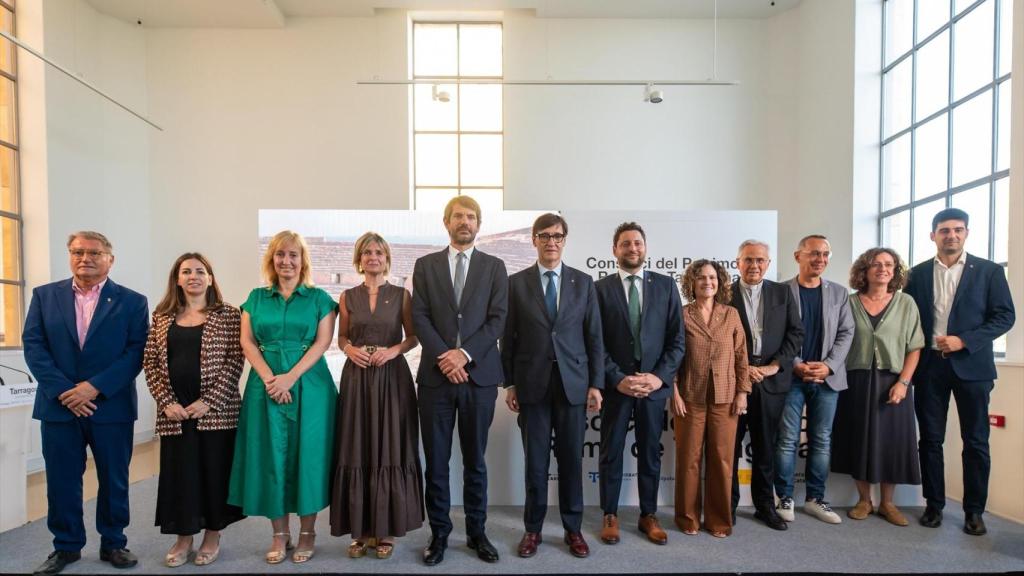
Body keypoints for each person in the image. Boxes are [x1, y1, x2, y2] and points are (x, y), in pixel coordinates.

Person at [23, 231, 149, 575]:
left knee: (114, 479)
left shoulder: (132, 301)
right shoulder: (45, 296)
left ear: (110, 259)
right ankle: (65, 547)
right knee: (61, 480)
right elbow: (34, 345)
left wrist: (94, 388)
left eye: (94, 252)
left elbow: (136, 352)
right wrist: (66, 391)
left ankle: (114, 543)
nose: (85, 258)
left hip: (110, 406)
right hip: (59, 406)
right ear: (69, 255)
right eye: (77, 252)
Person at [227, 230, 338, 564]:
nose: (286, 261)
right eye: (280, 254)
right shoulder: (256, 298)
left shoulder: (319, 299)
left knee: (309, 458)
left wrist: (290, 377)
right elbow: (247, 342)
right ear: (271, 259)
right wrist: (270, 379)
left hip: (310, 386)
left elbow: (322, 343)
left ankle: (307, 533)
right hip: (266, 386)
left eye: (293, 255)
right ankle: (279, 534)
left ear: (303, 261)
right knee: (271, 457)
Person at [904, 208, 1015, 535]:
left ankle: (974, 512)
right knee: (930, 440)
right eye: (944, 230)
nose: (951, 235)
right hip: (930, 367)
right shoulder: (916, 275)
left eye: (957, 229)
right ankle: (934, 505)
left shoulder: (989, 271)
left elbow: (1004, 317)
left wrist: (964, 340)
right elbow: (909, 321)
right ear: (933, 235)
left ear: (966, 233)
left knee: (976, 441)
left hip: (973, 367)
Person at [411, 195, 508, 566]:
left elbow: (497, 319)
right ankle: (439, 534)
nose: (464, 222)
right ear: (446, 222)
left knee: (475, 462)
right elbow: (419, 316)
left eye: (470, 216)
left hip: (478, 379)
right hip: (435, 379)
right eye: (458, 216)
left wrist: (463, 354)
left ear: (478, 224)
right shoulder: (425, 266)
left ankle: (476, 533)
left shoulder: (495, 267)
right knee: (436, 463)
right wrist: (445, 357)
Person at [503, 213, 604, 559]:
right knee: (535, 464)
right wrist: (510, 383)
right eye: (544, 236)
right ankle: (532, 530)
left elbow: (594, 337)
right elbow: (508, 338)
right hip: (531, 386)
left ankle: (573, 529)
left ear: (564, 240)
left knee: (571, 462)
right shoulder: (516, 283)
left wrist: (596, 384)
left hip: (573, 386)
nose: (551, 242)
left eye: (557, 236)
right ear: (534, 240)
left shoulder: (583, 282)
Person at [143, 253, 245, 567]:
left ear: (210, 279)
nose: (193, 276)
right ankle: (183, 537)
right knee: (180, 476)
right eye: (186, 271)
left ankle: (212, 535)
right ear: (177, 279)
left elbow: (235, 361)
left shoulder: (229, 315)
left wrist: (209, 401)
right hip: (175, 413)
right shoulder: (162, 316)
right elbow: (151, 363)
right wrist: (166, 402)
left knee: (214, 474)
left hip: (215, 412)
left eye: (200, 271)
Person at [330, 232, 423, 559]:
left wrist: (393, 351)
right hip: (357, 378)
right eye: (367, 252)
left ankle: (385, 530)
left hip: (391, 378)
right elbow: (342, 337)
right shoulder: (347, 296)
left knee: (389, 446)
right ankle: (360, 531)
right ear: (359, 258)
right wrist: (349, 350)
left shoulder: (402, 295)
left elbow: (413, 337)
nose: (373, 257)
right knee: (357, 445)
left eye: (379, 252)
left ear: (386, 259)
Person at [594, 222, 684, 546]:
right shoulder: (599, 289)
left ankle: (649, 514)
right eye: (625, 244)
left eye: (637, 243)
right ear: (614, 250)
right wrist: (617, 379)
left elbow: (677, 341)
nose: (632, 248)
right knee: (611, 452)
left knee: (650, 452)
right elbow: (595, 342)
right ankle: (610, 514)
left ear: (645, 248)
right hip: (616, 388)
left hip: (652, 387)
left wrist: (658, 377)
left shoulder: (666, 286)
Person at [832, 247, 924, 526]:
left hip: (893, 382)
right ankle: (864, 500)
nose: (883, 269)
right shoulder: (849, 302)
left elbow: (915, 346)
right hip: (856, 381)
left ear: (895, 271)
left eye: (889, 264)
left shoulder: (906, 303)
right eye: (876, 264)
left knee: (892, 442)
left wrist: (903, 383)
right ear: (865, 269)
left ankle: (887, 503)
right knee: (858, 439)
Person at [773, 235, 854, 525]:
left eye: (825, 254)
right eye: (814, 253)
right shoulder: (781, 292)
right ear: (798, 256)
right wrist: (795, 364)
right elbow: (775, 334)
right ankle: (784, 497)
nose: (820, 259)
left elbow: (846, 332)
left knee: (821, 440)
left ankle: (815, 499)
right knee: (787, 439)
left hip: (827, 379)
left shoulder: (839, 293)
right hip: (791, 377)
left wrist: (828, 366)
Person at [729, 239, 803, 531]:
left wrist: (774, 366)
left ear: (768, 264)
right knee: (729, 448)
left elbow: (796, 334)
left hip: (771, 381)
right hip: (734, 382)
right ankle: (727, 506)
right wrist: (742, 368)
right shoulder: (724, 293)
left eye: (760, 260)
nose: (754, 265)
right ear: (737, 263)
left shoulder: (783, 293)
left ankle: (764, 507)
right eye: (748, 259)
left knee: (765, 449)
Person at [671, 260, 749, 538]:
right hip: (689, 397)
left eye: (712, 277)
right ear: (691, 283)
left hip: (725, 398)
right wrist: (674, 392)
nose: (707, 282)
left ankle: (718, 521)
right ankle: (687, 518)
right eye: (701, 277)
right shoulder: (681, 314)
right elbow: (673, 356)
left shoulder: (731, 314)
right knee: (688, 460)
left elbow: (741, 356)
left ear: (720, 282)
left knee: (722, 460)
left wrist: (742, 393)